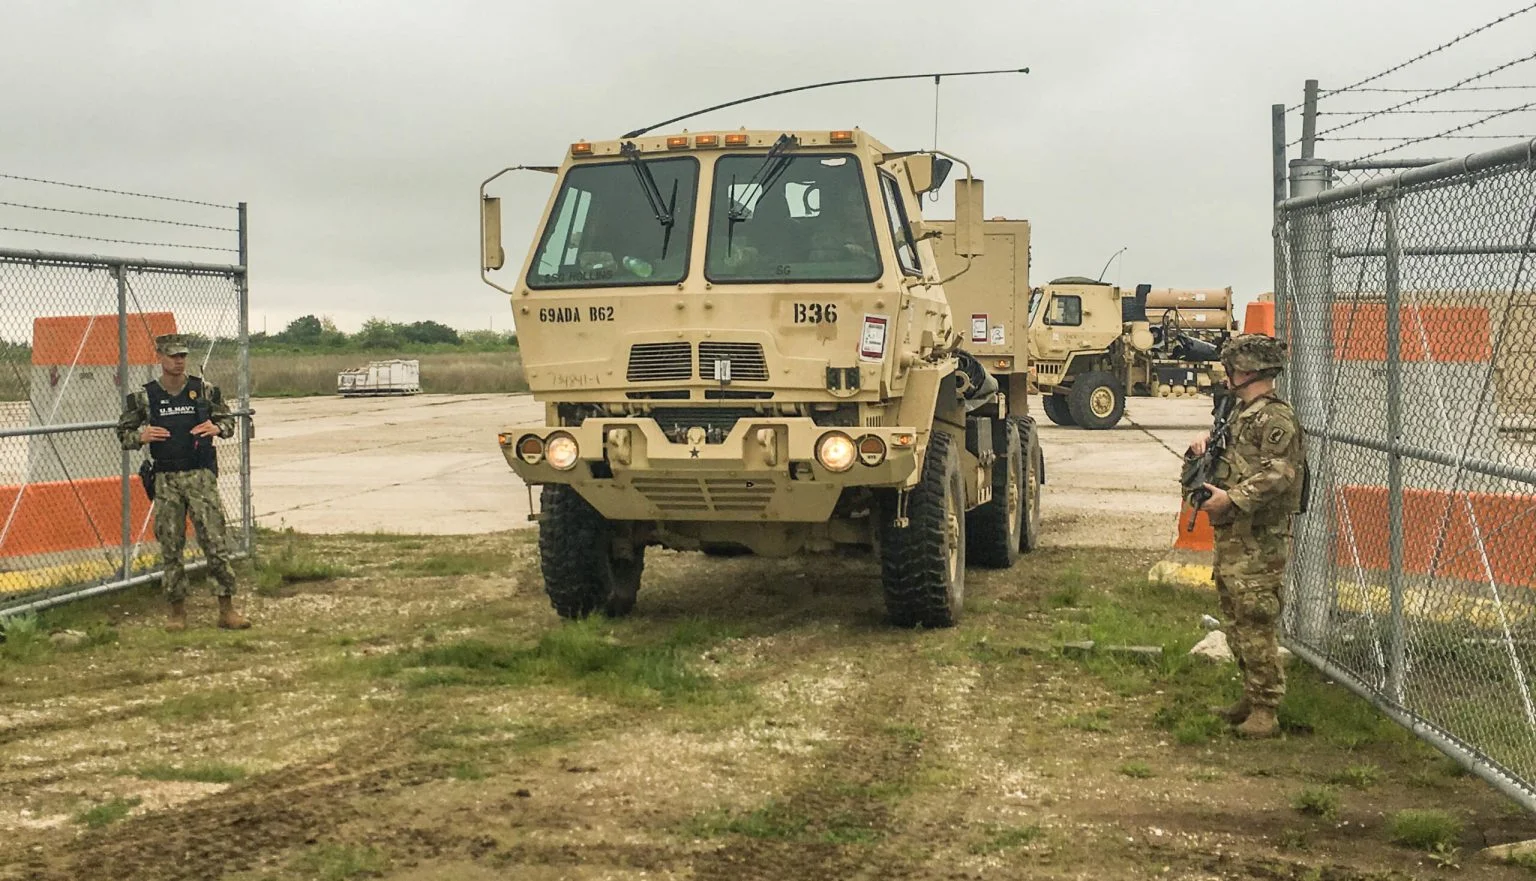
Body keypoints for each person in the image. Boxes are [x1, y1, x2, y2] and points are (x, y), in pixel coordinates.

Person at [1187, 334, 1305, 738]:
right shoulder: (1241, 414)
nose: (1227, 375)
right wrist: (1204, 447)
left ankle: (1265, 709)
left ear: (1250, 371)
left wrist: (1232, 499)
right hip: (1234, 533)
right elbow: (1235, 458)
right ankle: (1251, 694)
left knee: (1255, 616)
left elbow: (1279, 474)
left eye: (1232, 368)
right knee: (1235, 616)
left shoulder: (1275, 419)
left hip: (1259, 537)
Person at [116, 333, 250, 631]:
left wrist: (217, 427)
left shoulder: (204, 390)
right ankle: (177, 611)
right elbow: (123, 433)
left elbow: (228, 421)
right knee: (171, 544)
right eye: (173, 356)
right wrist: (140, 436)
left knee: (214, 541)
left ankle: (226, 609)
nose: (179, 361)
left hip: (200, 475)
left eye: (182, 356)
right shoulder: (145, 397)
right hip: (166, 479)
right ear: (160, 357)